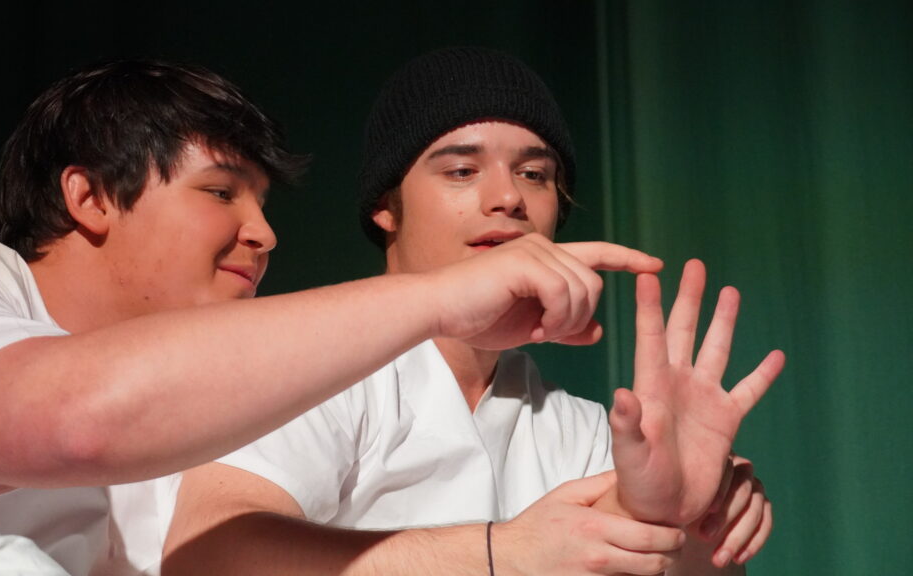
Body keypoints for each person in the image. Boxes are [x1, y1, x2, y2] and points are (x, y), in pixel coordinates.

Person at [0, 59, 663, 575]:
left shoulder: (217, 401)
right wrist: (444, 298)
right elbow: (75, 421)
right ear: (89, 197)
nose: (263, 234)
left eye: (263, 203)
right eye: (221, 192)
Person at [162, 47, 785, 575]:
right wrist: (499, 554)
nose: (508, 196)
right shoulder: (312, 376)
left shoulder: (586, 431)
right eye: (462, 170)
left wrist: (689, 517)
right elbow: (204, 557)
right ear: (385, 207)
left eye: (535, 174)